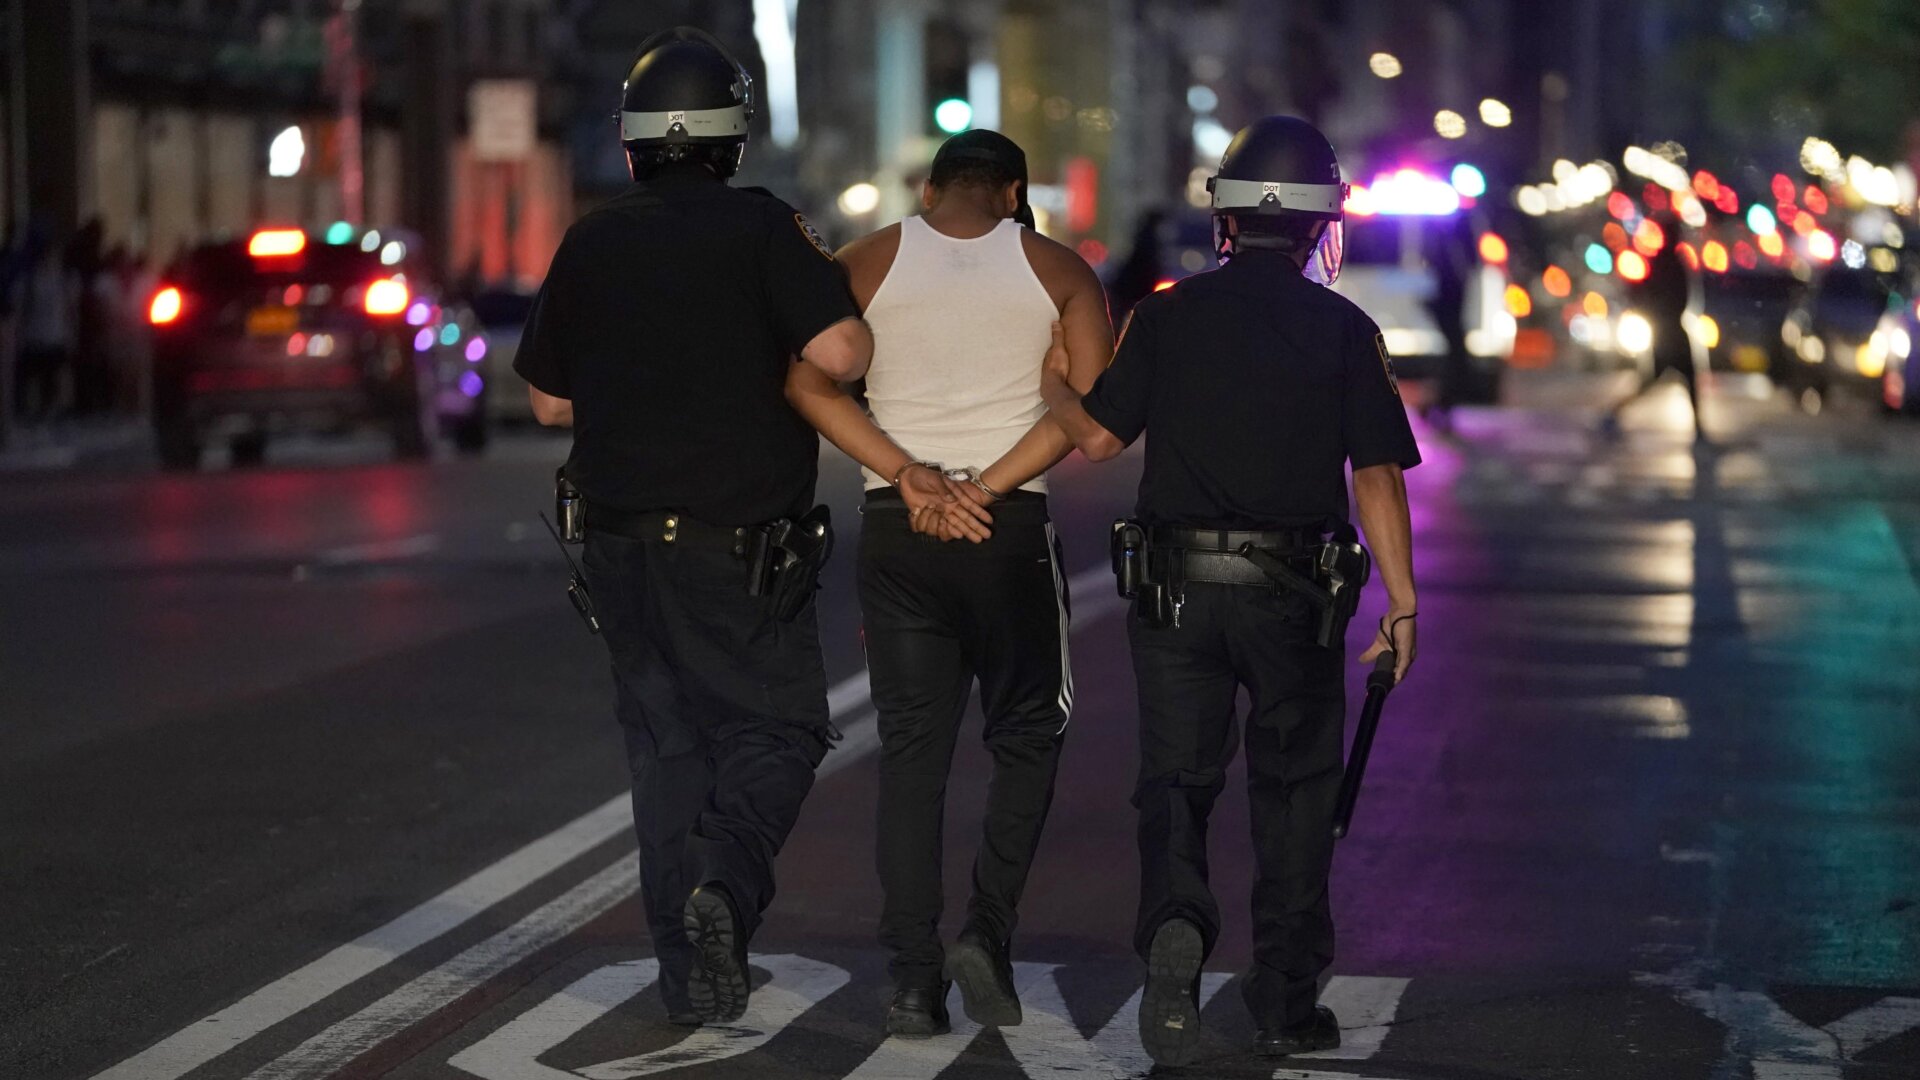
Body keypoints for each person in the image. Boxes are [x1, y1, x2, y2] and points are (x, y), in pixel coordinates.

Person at [1034, 115, 1421, 1065]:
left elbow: (1095, 440)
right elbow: (1376, 473)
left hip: (1173, 595)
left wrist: (1053, 384)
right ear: (1324, 227)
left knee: (1176, 780)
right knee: (1293, 793)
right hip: (1295, 597)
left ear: (1225, 221)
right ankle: (1285, 998)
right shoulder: (1345, 327)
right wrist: (1402, 602)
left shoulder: (1166, 315)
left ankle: (1175, 924)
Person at [514, 26, 873, 1027]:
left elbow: (547, 402)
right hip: (738, 549)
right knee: (780, 730)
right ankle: (724, 882)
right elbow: (842, 352)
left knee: (666, 752)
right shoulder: (763, 230)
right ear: (734, 141)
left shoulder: (594, 239)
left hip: (618, 546)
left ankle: (687, 973)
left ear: (633, 147)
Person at [783, 129, 1113, 1037]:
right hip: (1007, 532)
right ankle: (987, 930)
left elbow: (807, 384)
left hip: (900, 529)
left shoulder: (865, 261)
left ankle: (911, 982)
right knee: (1030, 735)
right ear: (1013, 193)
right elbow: (1096, 423)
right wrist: (984, 487)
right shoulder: (1062, 272)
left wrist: (910, 476)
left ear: (931, 191)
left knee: (912, 757)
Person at [1603, 210, 1704, 441]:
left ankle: (1699, 427)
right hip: (1670, 331)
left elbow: (1644, 292)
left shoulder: (1665, 261)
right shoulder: (1669, 263)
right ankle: (1614, 413)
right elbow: (1661, 295)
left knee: (1673, 379)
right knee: (1665, 379)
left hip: (1668, 329)